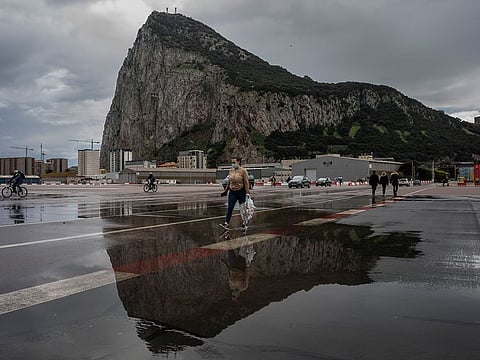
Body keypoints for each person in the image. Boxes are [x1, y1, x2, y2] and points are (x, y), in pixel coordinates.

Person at [221, 157, 250, 230]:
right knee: (230, 207)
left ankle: (244, 223)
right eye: (232, 162)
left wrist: (247, 193)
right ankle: (226, 223)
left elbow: (246, 183)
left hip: (241, 191)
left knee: (242, 208)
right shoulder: (231, 170)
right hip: (232, 191)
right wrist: (225, 191)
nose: (232, 164)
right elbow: (229, 182)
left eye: (234, 162)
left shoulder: (243, 171)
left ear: (238, 162)